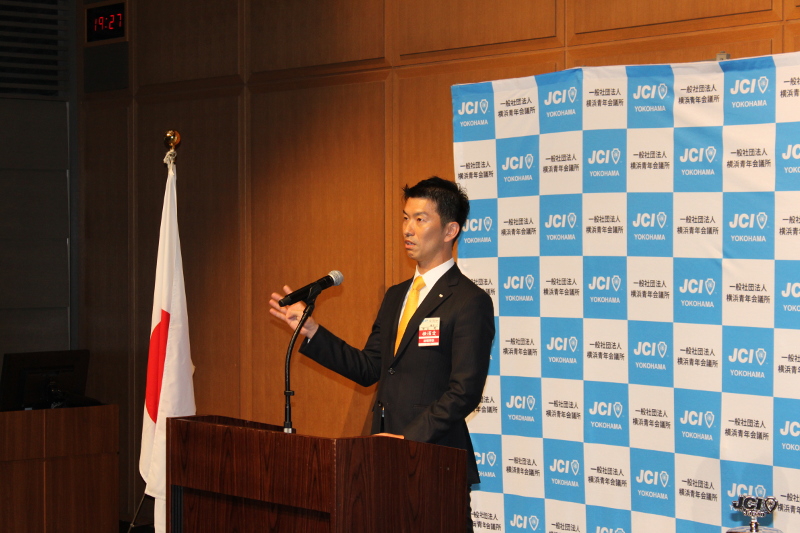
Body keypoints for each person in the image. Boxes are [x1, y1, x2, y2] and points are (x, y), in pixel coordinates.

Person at [269, 176, 495, 531]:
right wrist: (311, 330)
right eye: (405, 218)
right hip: (384, 461)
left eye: (420, 219)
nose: (408, 229)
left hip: (435, 462)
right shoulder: (396, 296)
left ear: (450, 230)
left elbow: (464, 392)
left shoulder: (469, 301)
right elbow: (369, 368)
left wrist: (406, 439)